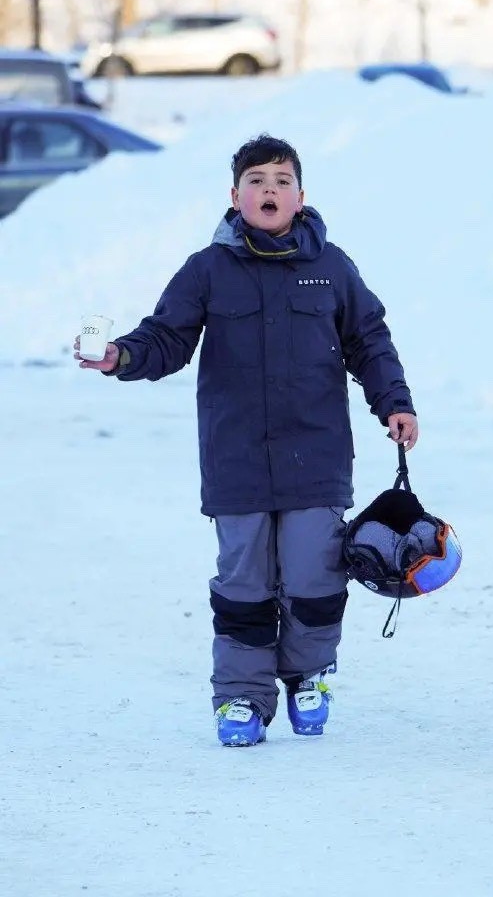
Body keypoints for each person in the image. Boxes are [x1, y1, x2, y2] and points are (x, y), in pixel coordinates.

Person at [74, 134, 418, 747]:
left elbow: (370, 340)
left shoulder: (332, 267)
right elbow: (166, 338)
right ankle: (241, 697)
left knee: (316, 573)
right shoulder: (208, 269)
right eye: (257, 180)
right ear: (235, 197)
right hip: (237, 460)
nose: (270, 190)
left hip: (315, 456)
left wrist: (394, 402)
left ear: (301, 197)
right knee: (244, 582)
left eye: (282, 181)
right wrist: (121, 356)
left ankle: (309, 675)